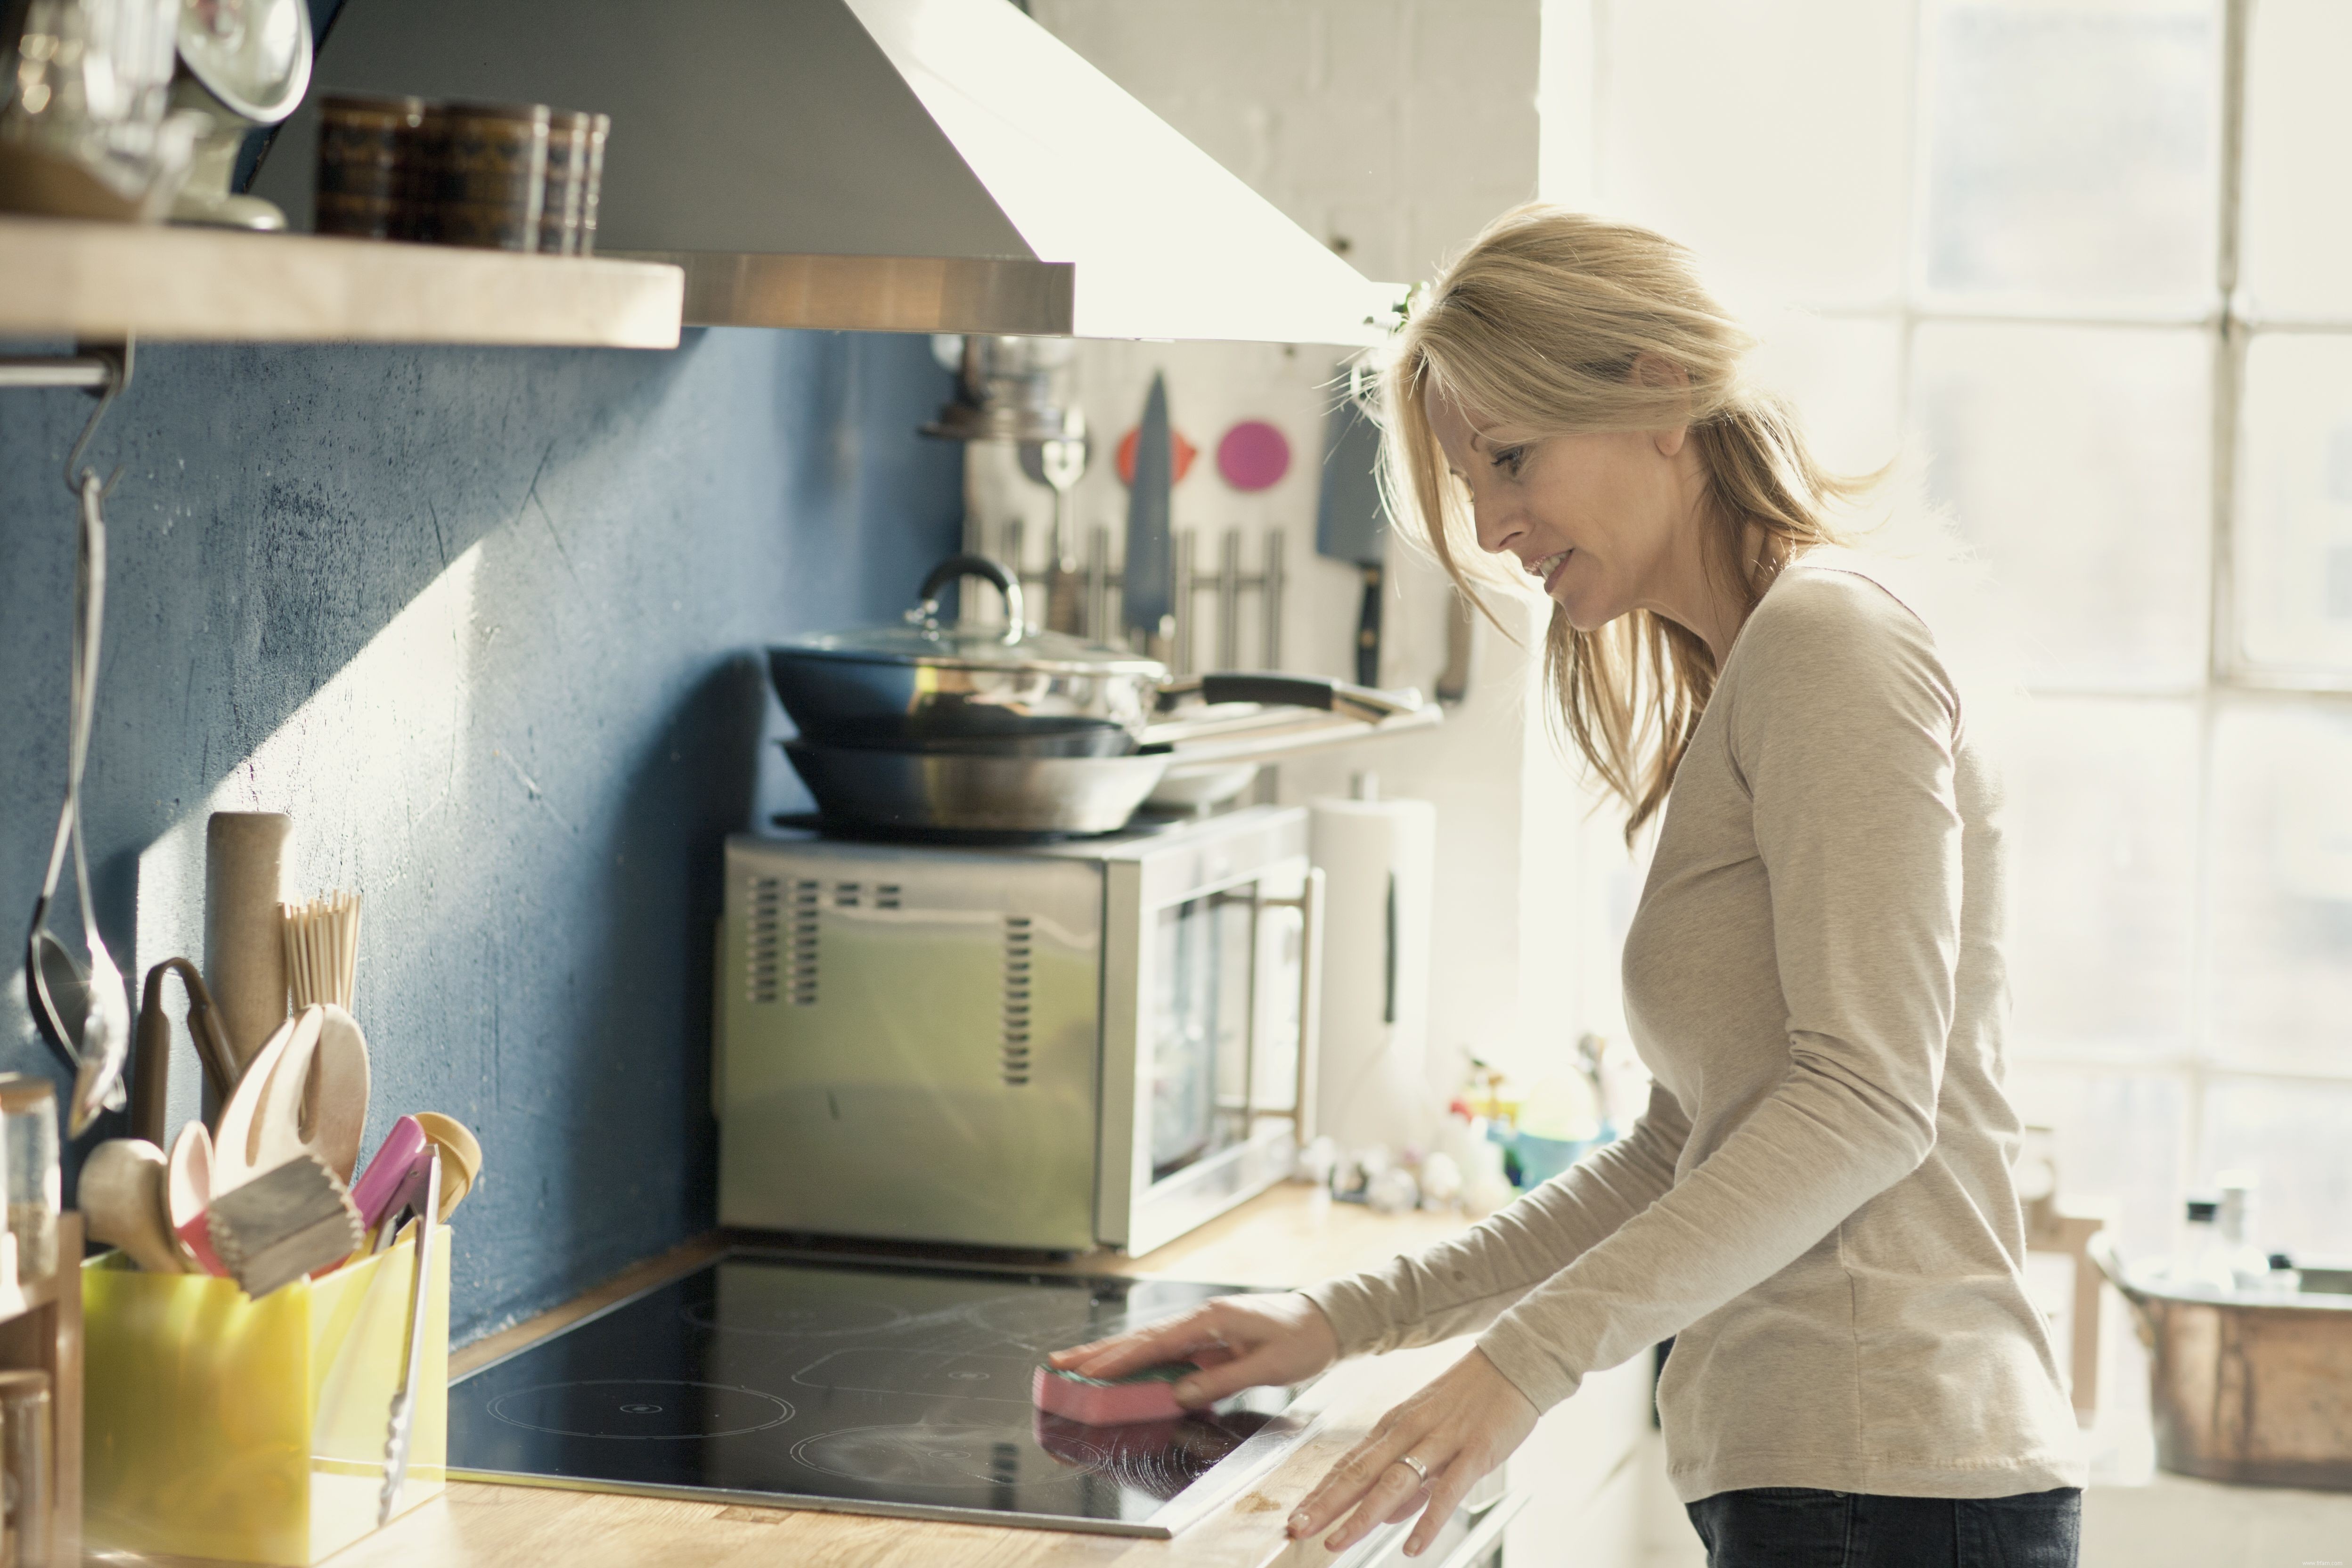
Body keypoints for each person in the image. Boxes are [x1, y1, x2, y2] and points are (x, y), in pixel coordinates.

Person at [1047, 205, 2085, 1568]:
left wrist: (1517, 1368)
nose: (1489, 526)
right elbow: (1680, 1148)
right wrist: (1338, 1322)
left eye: (1511, 459)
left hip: (1892, 1476)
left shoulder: (1830, 642)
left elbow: (1867, 1101)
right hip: (1840, 1482)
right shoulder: (1765, 668)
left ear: (1661, 391)